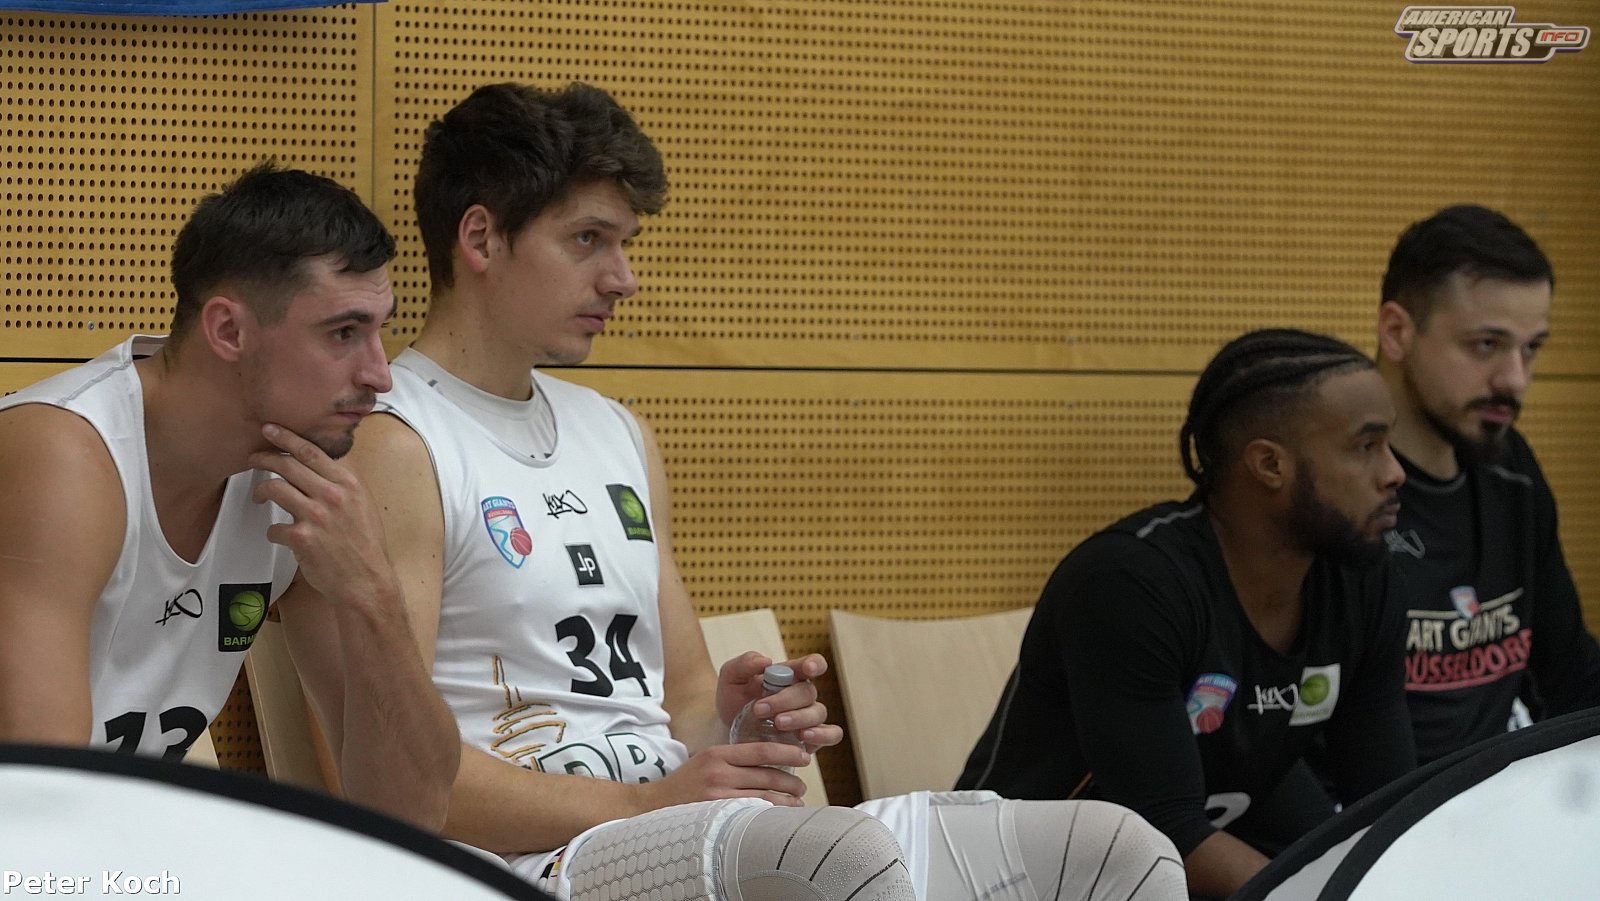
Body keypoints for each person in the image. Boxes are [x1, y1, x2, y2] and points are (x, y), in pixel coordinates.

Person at [328, 81, 1187, 901]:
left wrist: (739, 726)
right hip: (524, 860)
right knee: (836, 859)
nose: (623, 277)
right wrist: (647, 802)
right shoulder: (396, 442)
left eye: (625, 243)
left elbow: (684, 697)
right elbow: (394, 779)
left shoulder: (619, 434)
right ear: (481, 239)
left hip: (673, 822)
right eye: (588, 239)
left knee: (1119, 848)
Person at [0, 163, 459, 829]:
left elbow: (410, 816)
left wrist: (373, 594)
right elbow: (40, 812)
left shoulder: (298, 480)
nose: (380, 374)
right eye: (343, 333)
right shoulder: (63, 454)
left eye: (379, 331)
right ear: (228, 331)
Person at [956, 329, 1418, 899]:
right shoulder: (1129, 583)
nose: (1394, 472)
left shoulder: (1360, 581)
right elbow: (1164, 831)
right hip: (1011, 882)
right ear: (1269, 464)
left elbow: (1389, 804)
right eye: (1366, 446)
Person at [1375, 204, 1600, 765]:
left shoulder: (1510, 467)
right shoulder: (1333, 486)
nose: (1514, 380)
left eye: (1531, 348)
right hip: (1373, 809)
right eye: (1486, 345)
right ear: (1397, 332)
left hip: (1504, 795)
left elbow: (1569, 669)